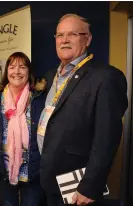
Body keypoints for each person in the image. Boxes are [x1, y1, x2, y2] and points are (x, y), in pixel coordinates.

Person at [38, 14, 128, 206]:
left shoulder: (106, 77)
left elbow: (107, 138)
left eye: (72, 34)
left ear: (87, 39)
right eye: (60, 35)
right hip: (49, 177)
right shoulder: (52, 75)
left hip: (77, 183)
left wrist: (91, 185)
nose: (64, 40)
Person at [0, 52, 46, 206]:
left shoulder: (39, 99)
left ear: (29, 72)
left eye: (22, 67)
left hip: (33, 171)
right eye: (12, 67)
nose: (16, 72)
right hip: (4, 169)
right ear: (7, 72)